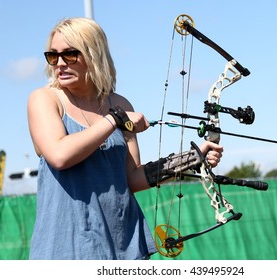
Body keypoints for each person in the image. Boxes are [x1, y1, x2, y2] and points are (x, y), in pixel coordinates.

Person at [27, 17, 223, 260]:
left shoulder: (119, 103)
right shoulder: (45, 99)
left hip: (123, 243)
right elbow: (59, 156)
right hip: (67, 245)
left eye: (69, 54)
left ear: (93, 54)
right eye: (52, 56)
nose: (59, 64)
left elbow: (131, 178)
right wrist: (113, 120)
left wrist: (190, 160)